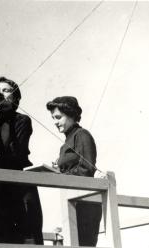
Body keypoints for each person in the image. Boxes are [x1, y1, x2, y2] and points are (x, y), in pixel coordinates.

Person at [0, 77, 43, 244]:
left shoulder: (22, 120)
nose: (0, 94)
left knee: (29, 234)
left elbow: (18, 153)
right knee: (0, 235)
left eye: (6, 91)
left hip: (21, 183)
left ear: (15, 98)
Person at [46, 96, 102, 247]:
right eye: (53, 118)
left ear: (70, 114)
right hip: (72, 201)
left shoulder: (82, 135)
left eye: (58, 117)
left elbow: (87, 169)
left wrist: (61, 174)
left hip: (85, 204)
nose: (55, 122)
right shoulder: (66, 142)